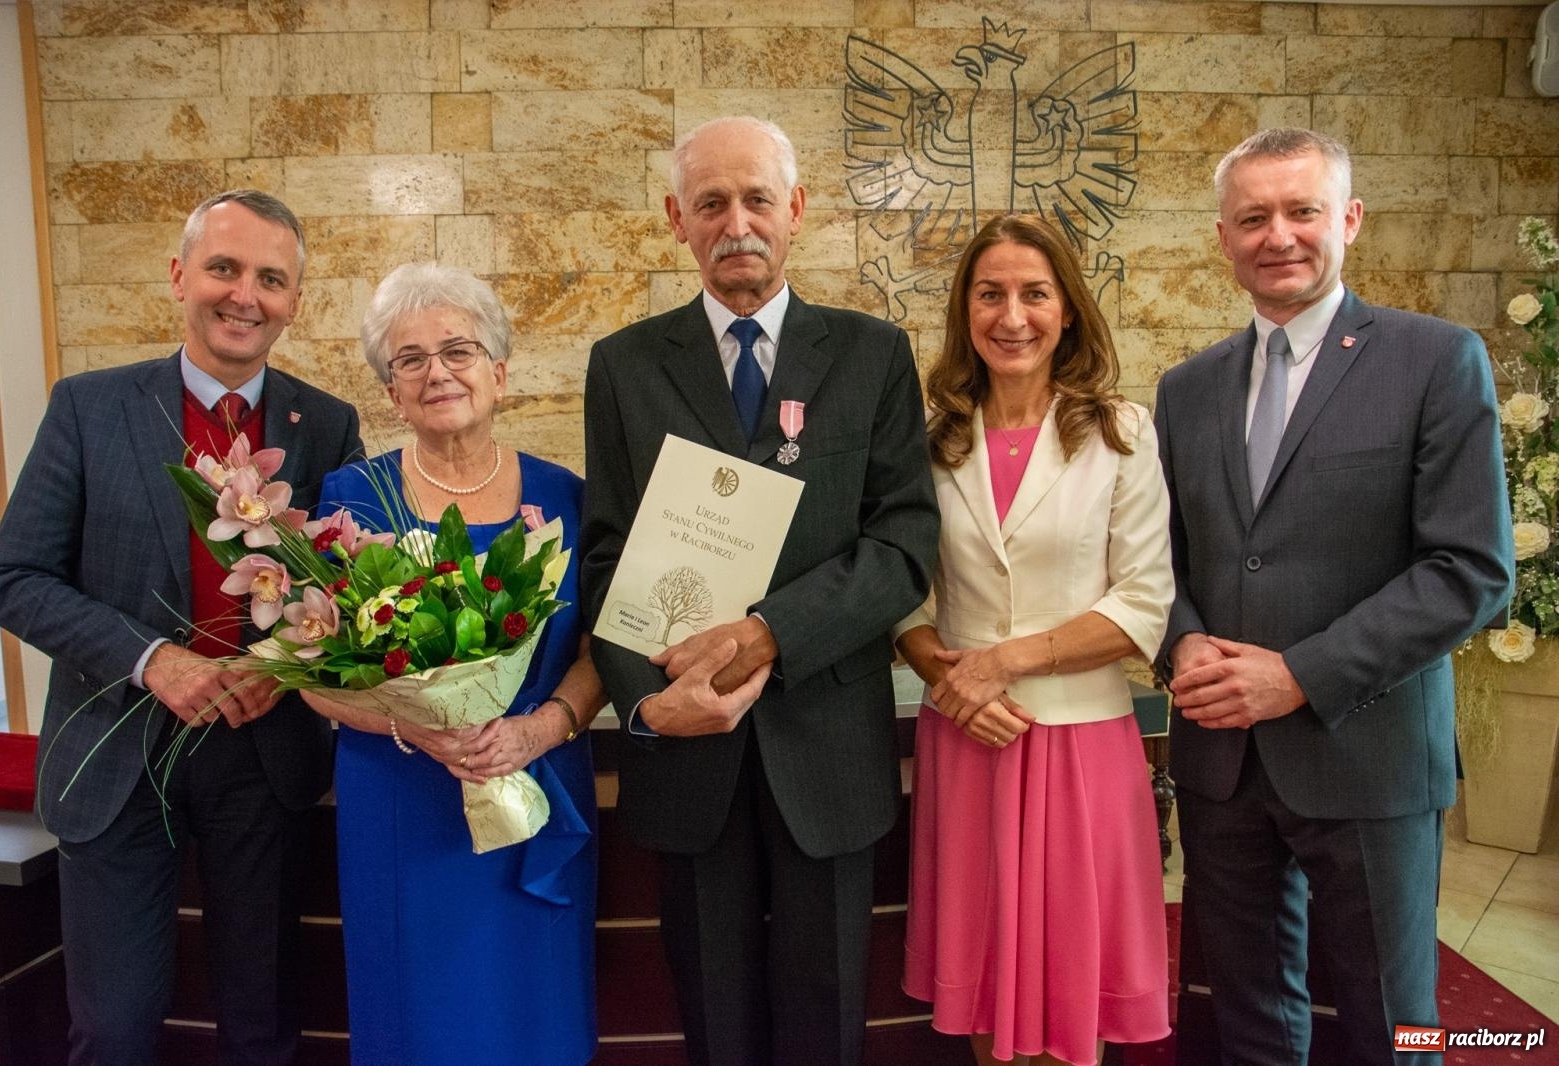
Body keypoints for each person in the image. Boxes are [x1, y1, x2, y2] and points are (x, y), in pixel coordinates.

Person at [580, 115, 939, 1065]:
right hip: (687, 757)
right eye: (711, 203)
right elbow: (607, 557)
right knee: (718, 1028)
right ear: (677, 220)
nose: (736, 222)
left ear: (796, 212)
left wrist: (771, 632)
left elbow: (904, 543)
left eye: (757, 200)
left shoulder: (872, 355)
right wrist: (652, 704)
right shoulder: (622, 365)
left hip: (828, 750)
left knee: (827, 1025)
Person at [0, 190, 362, 1065]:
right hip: (113, 748)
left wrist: (284, 665)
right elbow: (11, 578)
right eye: (224, 268)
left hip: (263, 758)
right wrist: (154, 662)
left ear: (295, 301)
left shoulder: (326, 425)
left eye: (271, 278)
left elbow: (341, 585)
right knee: (112, 1028)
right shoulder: (88, 407)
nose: (244, 295)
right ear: (179, 275)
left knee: (260, 1023)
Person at [1154, 128, 1514, 1065]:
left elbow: (1469, 569)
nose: (1279, 235)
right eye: (1253, 217)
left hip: (1370, 755)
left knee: (1395, 1020)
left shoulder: (1436, 360)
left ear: (1348, 220)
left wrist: (1301, 675)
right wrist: (1183, 642)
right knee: (1247, 1013)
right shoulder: (1185, 390)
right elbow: (1166, 561)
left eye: (1302, 210)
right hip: (1221, 761)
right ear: (1223, 238)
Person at [299, 262, 605, 1066]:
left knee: (533, 1011)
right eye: (409, 360)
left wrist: (537, 732)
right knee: (418, 1017)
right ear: (391, 393)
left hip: (535, 786)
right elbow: (311, 676)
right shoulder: (347, 500)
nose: (437, 372)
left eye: (459, 350)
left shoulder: (568, 496)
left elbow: (601, 648)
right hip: (402, 799)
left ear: (500, 374)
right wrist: (420, 730)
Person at [894, 214, 1174, 1066]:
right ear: (965, 312)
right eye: (990, 294)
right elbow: (907, 598)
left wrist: (1003, 663)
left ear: (1069, 311)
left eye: (1034, 293)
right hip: (968, 740)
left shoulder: (1121, 433)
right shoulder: (931, 440)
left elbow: (1144, 602)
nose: (1011, 316)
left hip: (1082, 743)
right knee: (984, 978)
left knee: (1068, 983)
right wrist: (949, 681)